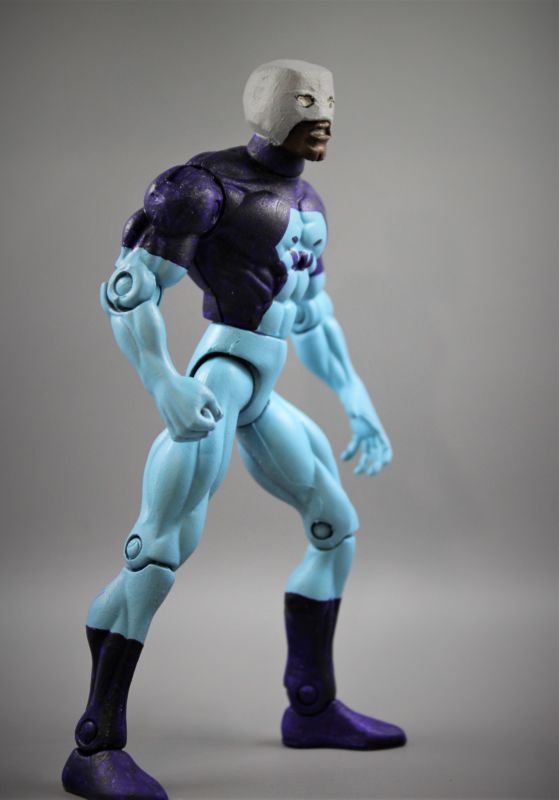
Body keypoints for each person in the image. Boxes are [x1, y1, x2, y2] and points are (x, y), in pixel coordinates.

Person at [62, 59, 406, 800]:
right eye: (305, 99)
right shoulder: (203, 186)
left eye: (330, 99)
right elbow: (129, 291)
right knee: (158, 552)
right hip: (219, 379)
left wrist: (357, 401)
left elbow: (311, 313)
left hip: (262, 387)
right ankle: (95, 744)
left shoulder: (308, 199)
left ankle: (310, 707)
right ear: (267, 107)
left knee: (334, 527)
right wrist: (165, 383)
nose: (323, 113)